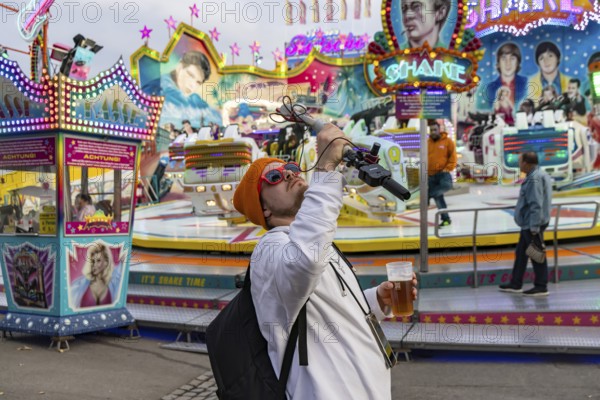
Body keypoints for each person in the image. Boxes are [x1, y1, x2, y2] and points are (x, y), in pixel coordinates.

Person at [232, 123, 418, 399]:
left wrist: (377, 300)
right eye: (274, 177)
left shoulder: (313, 242)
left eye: (292, 169)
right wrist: (326, 167)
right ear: (265, 209)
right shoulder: (270, 249)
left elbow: (331, 310)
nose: (289, 175)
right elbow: (305, 261)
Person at [499, 152, 552, 296]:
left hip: (532, 224)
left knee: (536, 254)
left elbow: (536, 205)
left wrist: (534, 228)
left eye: (520, 161)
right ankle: (515, 283)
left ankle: (541, 286)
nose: (518, 164)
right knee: (521, 253)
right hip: (528, 224)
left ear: (527, 163)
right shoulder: (538, 175)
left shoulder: (534, 178)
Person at [142, 51, 221, 127]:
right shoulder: (154, 90)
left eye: (198, 82)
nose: (192, 85)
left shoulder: (195, 100)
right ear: (179, 67)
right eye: (190, 75)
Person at [70, 243, 122, 307]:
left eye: (98, 260)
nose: (94, 265)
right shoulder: (78, 285)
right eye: (92, 261)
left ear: (106, 262)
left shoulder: (114, 282)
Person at [427, 121, 456, 227]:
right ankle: (446, 219)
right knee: (439, 197)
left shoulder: (447, 142)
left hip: (443, 174)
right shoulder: (427, 143)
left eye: (435, 130)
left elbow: (453, 157)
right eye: (431, 130)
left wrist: (448, 168)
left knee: (447, 186)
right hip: (430, 175)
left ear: (439, 130)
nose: (433, 132)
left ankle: (428, 195)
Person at [485, 42, 529, 107]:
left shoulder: (526, 82)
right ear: (498, 64)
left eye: (512, 58)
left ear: (517, 63)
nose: (508, 63)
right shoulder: (490, 88)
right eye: (503, 58)